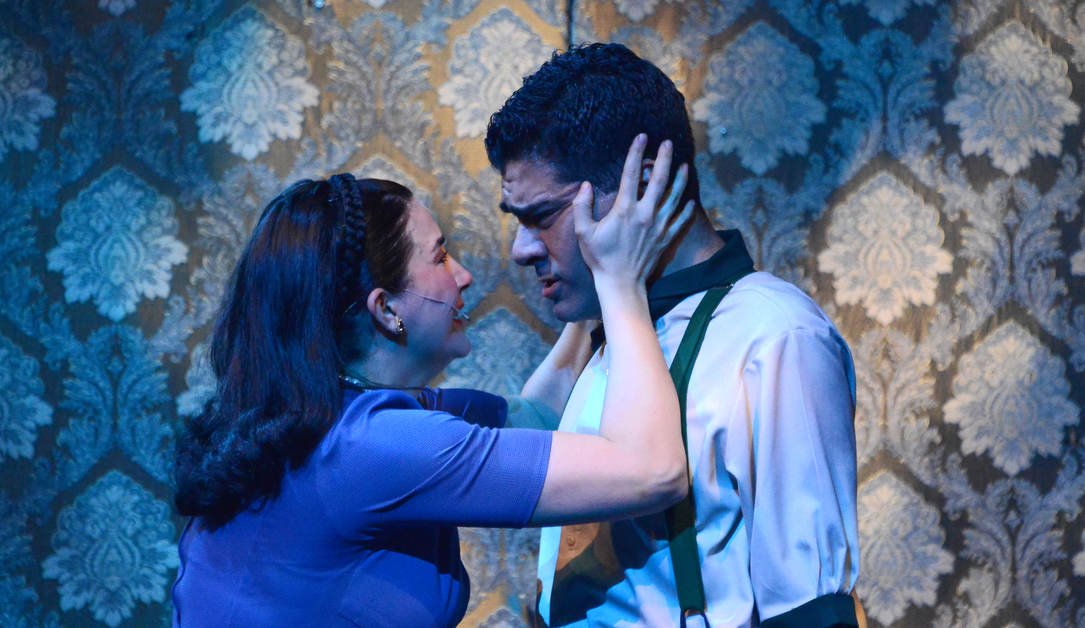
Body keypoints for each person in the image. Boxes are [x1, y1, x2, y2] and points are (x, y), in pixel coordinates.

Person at [170, 139, 696, 628]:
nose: (463, 275)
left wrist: (590, 283)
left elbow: (537, 417)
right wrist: (620, 282)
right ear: (386, 310)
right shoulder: (374, 447)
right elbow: (654, 473)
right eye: (441, 256)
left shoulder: (336, 414)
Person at [485, 43, 860, 628]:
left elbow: (810, 610)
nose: (521, 250)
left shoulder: (774, 336)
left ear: (643, 187)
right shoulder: (607, 326)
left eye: (542, 216)